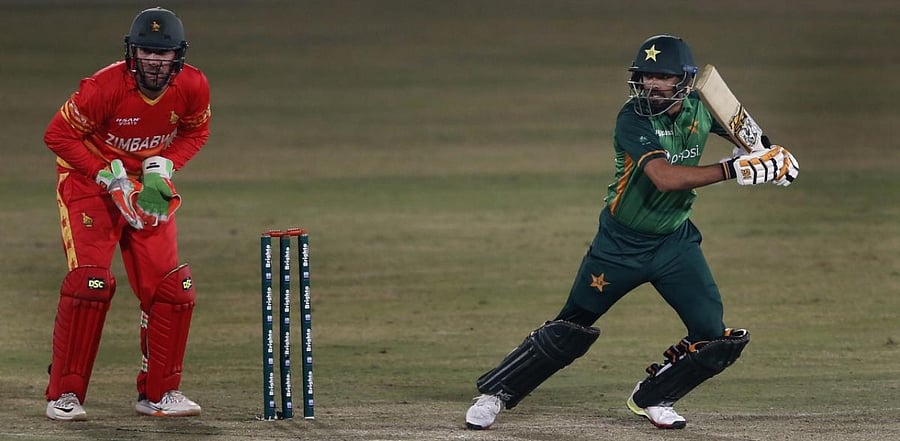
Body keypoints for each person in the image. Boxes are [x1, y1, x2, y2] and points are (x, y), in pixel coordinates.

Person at [465, 34, 799, 430]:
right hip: (619, 245)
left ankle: (654, 396)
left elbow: (751, 140)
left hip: (675, 244)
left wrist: (773, 158)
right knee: (570, 327)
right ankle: (496, 393)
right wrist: (734, 169)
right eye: (645, 76)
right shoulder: (633, 118)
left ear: (684, 81)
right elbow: (665, 178)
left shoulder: (700, 109)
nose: (651, 85)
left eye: (662, 77)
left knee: (714, 336)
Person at [43, 7, 211, 421]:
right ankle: (65, 394)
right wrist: (105, 175)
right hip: (89, 183)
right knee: (90, 286)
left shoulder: (193, 86)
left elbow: (196, 130)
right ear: (132, 52)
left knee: (170, 290)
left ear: (178, 56)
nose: (153, 61)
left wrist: (163, 166)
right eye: (145, 51)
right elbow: (58, 135)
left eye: (162, 53)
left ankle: (159, 393)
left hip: (146, 189)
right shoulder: (103, 87)